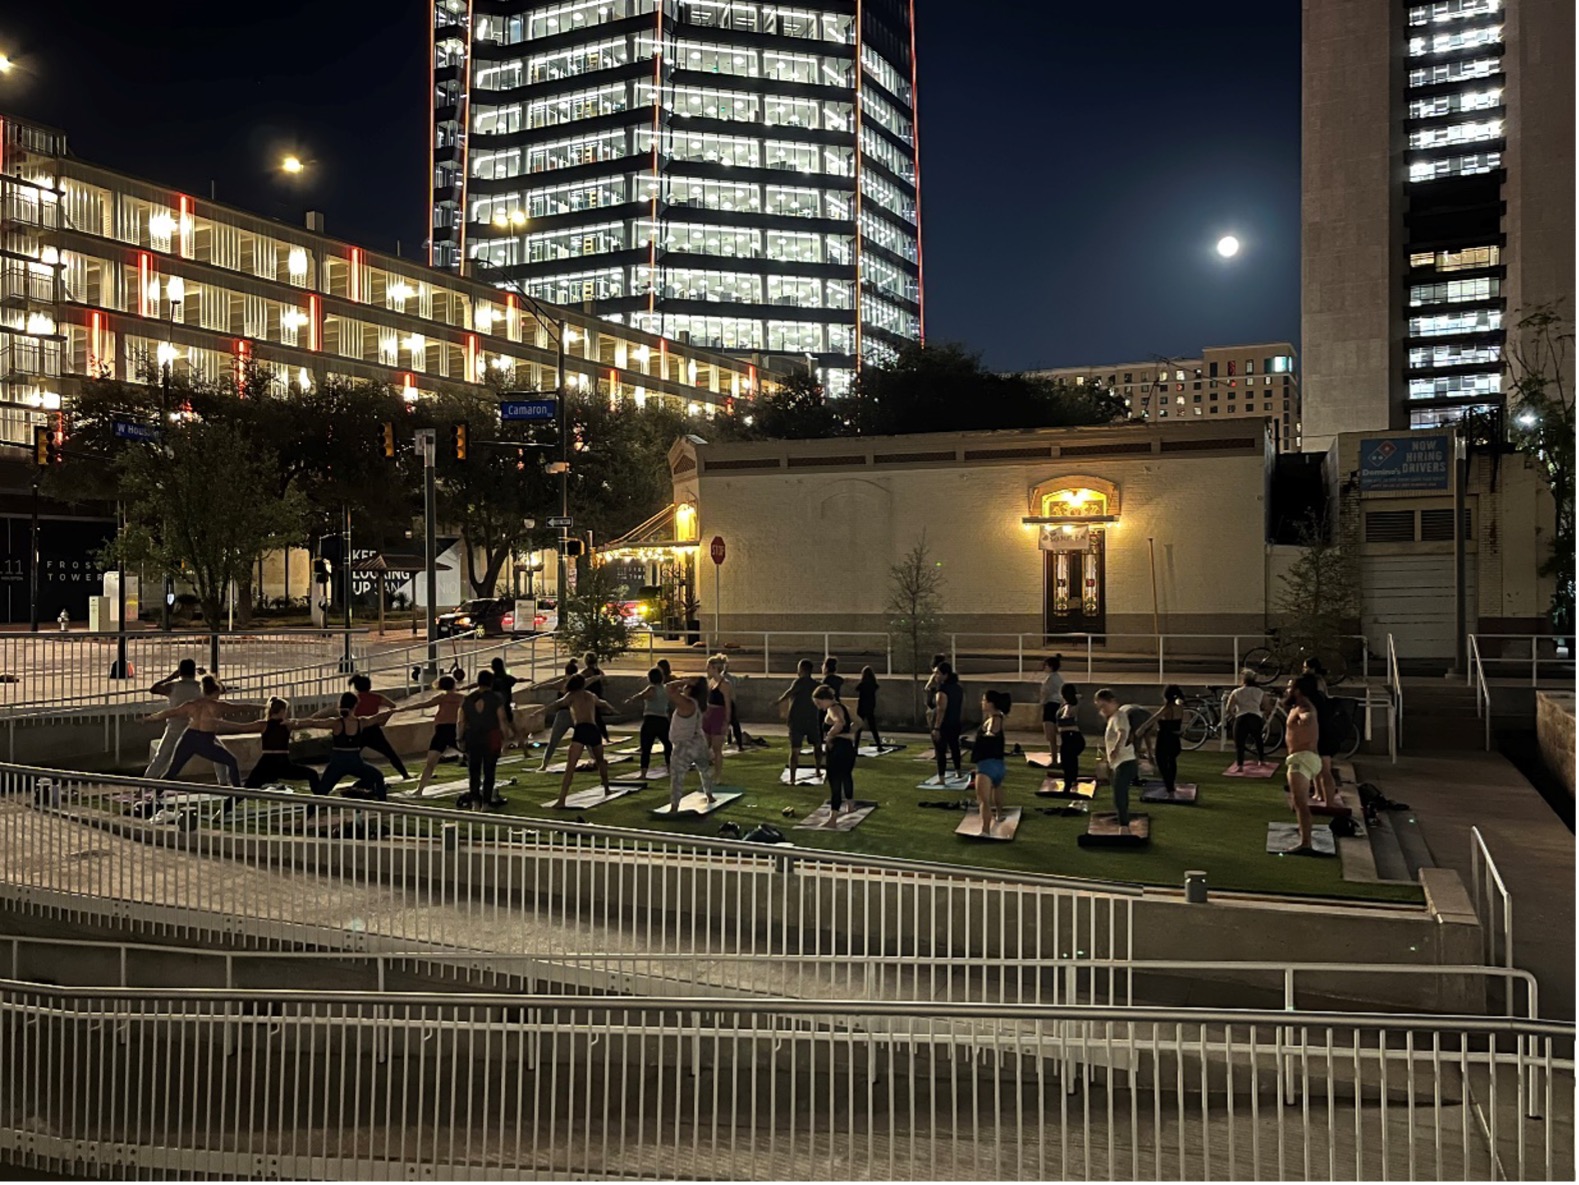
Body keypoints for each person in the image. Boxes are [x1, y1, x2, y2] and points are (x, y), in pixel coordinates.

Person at [146, 676, 255, 788]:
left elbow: (170, 712)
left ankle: (155, 795)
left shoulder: (192, 704)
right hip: (204, 740)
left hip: (189, 737)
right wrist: (261, 707)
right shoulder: (218, 706)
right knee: (231, 761)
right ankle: (237, 792)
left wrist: (150, 718)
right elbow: (242, 708)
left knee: (172, 771)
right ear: (216, 691)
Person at [217, 697, 324, 795]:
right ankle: (319, 802)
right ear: (282, 711)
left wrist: (222, 723)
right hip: (282, 764)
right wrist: (297, 722)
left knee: (245, 791)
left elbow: (241, 728)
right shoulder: (285, 725)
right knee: (312, 774)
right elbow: (309, 723)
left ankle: (223, 811)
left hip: (267, 764)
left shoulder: (266, 724)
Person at [549, 674, 615, 809]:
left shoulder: (571, 696)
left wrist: (539, 711)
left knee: (570, 767)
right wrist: (613, 709)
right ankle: (607, 788)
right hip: (593, 729)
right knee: (600, 761)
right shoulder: (590, 695)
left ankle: (562, 800)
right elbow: (603, 703)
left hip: (581, 730)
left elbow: (556, 704)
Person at [317, 692, 394, 799]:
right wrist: (391, 712)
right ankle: (383, 807)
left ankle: (310, 811)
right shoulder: (359, 722)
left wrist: (296, 723)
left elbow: (312, 723)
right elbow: (377, 718)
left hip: (340, 763)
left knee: (322, 792)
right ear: (355, 705)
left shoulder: (336, 723)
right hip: (353, 762)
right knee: (377, 776)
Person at [1281, 674, 1326, 855]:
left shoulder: (1305, 707)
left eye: (1291, 687)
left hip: (1303, 758)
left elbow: (1307, 716)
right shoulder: (1298, 706)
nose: (1288, 689)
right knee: (1298, 802)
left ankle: (1305, 842)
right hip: (1304, 758)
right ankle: (1304, 834)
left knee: (1300, 803)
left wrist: (1307, 718)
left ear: (1298, 691)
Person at [144, 660, 210, 781]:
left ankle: (144, 786)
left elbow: (153, 689)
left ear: (180, 671)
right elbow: (219, 689)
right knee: (221, 757)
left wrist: (171, 677)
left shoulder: (172, 686)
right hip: (197, 728)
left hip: (175, 727)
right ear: (194, 671)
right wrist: (207, 675)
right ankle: (224, 783)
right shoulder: (200, 687)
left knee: (160, 759)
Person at [404, 675, 467, 795]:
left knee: (430, 763)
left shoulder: (443, 698)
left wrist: (406, 708)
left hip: (442, 732)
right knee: (473, 757)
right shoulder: (461, 698)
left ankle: (419, 790)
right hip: (453, 730)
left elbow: (424, 704)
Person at [459, 671, 511, 808]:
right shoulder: (496, 698)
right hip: (491, 737)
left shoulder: (468, 699)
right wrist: (506, 740)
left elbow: (461, 721)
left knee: (473, 772)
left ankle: (475, 802)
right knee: (489, 771)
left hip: (472, 736)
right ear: (491, 682)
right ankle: (486, 803)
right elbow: (502, 720)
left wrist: (459, 738)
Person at [665, 676, 714, 811]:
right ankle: (709, 795)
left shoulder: (687, 703)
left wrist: (685, 681)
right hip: (699, 741)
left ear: (691, 689)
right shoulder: (699, 703)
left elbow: (668, 688)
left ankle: (674, 807)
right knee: (705, 770)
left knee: (677, 777)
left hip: (684, 745)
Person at [349, 675, 411, 781]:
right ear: (369, 686)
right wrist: (384, 718)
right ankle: (405, 774)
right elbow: (392, 705)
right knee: (390, 753)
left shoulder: (354, 699)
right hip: (374, 729)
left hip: (358, 730)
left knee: (348, 754)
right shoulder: (376, 697)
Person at [1094, 688, 1137, 832]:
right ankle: (1123, 823)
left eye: (1104, 706)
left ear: (1112, 702)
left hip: (1125, 762)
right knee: (1119, 794)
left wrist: (1116, 749)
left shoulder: (1119, 716)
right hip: (1119, 763)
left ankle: (1124, 826)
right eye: (1100, 707)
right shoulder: (1113, 718)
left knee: (1119, 795)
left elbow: (1122, 733)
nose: (1102, 710)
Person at [814, 684, 856, 822]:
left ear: (825, 699)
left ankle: (833, 819)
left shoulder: (832, 709)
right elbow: (859, 722)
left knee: (835, 781)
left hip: (837, 750)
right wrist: (848, 734)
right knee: (846, 776)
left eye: (819, 703)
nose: (819, 707)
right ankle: (850, 805)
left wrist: (830, 736)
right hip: (848, 748)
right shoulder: (844, 707)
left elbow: (840, 723)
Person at [972, 689, 1011, 836]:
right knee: (997, 787)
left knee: (983, 801)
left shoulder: (994, 719)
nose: (982, 703)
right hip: (999, 766)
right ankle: (999, 815)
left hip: (986, 766)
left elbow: (992, 731)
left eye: (984, 700)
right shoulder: (999, 716)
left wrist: (986, 736)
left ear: (991, 703)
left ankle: (985, 830)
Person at [778, 659, 823, 782]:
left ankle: (792, 778)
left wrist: (778, 701)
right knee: (817, 745)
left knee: (795, 749)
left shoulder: (799, 682)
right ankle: (818, 770)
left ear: (802, 670)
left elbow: (789, 693)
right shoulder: (816, 685)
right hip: (811, 719)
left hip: (797, 720)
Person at [1138, 685, 1186, 796]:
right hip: (1175, 739)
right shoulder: (1179, 706)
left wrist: (1141, 728)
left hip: (1165, 739)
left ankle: (1169, 786)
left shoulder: (1167, 708)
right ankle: (1171, 785)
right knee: (1172, 761)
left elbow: (1153, 719)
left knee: (1162, 762)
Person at [533, 660, 580, 771]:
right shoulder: (578, 683)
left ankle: (544, 764)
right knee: (586, 738)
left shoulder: (564, 682)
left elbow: (550, 686)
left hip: (565, 714)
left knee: (554, 741)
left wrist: (538, 687)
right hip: (575, 713)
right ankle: (596, 759)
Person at [627, 667, 673, 778]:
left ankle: (643, 773)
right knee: (668, 746)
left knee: (646, 748)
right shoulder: (665, 688)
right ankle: (670, 769)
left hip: (651, 721)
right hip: (663, 720)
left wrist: (632, 699)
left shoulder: (652, 689)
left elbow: (643, 695)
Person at [1224, 672, 1268, 772]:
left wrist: (1233, 716)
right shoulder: (1259, 691)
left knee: (1240, 743)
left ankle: (1240, 765)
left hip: (1241, 717)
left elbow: (1228, 708)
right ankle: (1261, 760)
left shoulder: (1237, 692)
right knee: (1258, 739)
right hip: (1255, 717)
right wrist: (1262, 715)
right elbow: (1267, 706)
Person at [929, 661, 964, 785]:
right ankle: (958, 771)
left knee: (940, 750)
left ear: (945, 675)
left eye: (937, 673)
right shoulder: (958, 688)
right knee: (955, 748)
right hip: (955, 722)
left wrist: (937, 728)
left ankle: (941, 778)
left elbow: (941, 708)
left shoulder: (942, 689)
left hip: (944, 724)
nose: (935, 676)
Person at [703, 655, 734, 782]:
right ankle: (707, 773)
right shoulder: (710, 682)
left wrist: (726, 722)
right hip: (708, 715)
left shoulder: (724, 684)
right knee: (704, 747)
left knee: (717, 748)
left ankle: (718, 776)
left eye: (708, 668)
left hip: (718, 716)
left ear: (715, 668)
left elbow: (728, 705)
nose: (707, 670)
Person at [1056, 682, 1085, 793]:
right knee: (1071, 760)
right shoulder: (1070, 703)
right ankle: (1072, 780)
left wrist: (1064, 716)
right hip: (1073, 737)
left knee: (1067, 761)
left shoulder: (1069, 706)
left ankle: (1068, 784)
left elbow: (1066, 716)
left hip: (1071, 737)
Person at [717, 654, 745, 752]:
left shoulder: (725, 678)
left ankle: (737, 743)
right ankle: (737, 743)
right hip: (723, 703)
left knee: (732, 723)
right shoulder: (722, 678)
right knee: (732, 723)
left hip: (726, 703)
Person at [1038, 655, 1065, 756]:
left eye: (1045, 665)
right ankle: (1054, 753)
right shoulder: (1059, 678)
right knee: (1054, 732)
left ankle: (1054, 755)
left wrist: (1042, 703)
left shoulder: (1050, 679)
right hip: (1057, 704)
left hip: (1050, 705)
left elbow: (1046, 693)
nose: (1044, 667)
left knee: (1050, 734)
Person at [581, 652, 610, 742]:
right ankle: (605, 736)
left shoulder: (586, 672)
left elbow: (579, 683)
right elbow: (606, 682)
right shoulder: (599, 671)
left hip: (589, 698)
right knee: (598, 719)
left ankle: (595, 736)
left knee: (592, 718)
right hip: (597, 696)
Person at [853, 666, 882, 750]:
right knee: (873, 728)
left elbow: (856, 689)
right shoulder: (873, 685)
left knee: (859, 728)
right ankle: (879, 745)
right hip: (870, 707)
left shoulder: (862, 685)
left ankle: (855, 747)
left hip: (862, 707)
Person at [489, 657, 519, 738]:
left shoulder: (492, 679)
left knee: (503, 727)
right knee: (513, 727)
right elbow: (517, 680)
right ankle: (523, 746)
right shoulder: (507, 678)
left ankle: (504, 746)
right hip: (506, 706)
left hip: (496, 707)